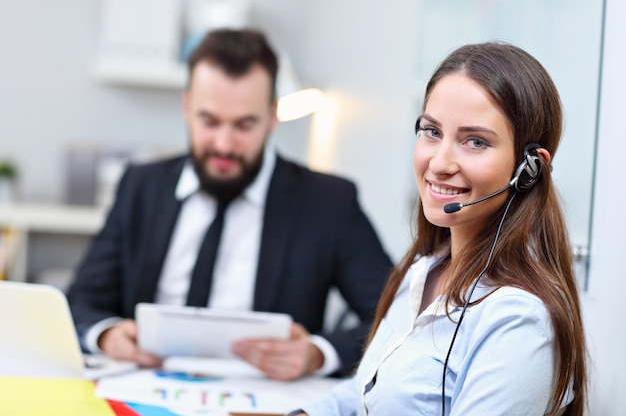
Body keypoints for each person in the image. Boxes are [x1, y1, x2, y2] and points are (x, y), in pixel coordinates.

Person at [66, 28, 392, 381]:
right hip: (144, 389)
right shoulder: (140, 186)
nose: (224, 144)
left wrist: (317, 353)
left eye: (244, 125)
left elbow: (392, 314)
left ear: (272, 116)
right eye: (209, 121)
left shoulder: (329, 201)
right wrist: (107, 334)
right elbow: (82, 299)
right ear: (187, 107)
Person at [291, 42, 587, 416]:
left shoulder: (519, 320)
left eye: (475, 141)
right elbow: (360, 394)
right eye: (431, 131)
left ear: (529, 169)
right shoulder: (424, 270)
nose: (440, 162)